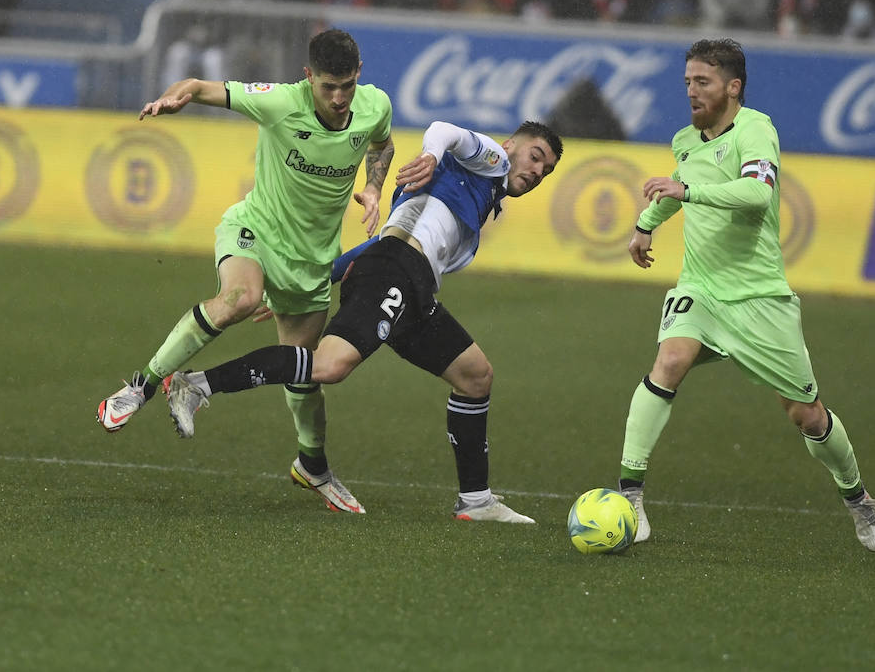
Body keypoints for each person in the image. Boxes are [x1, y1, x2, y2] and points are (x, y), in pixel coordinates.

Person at [161, 119, 562, 521]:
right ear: (511, 144)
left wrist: (320, 277)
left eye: (545, 171)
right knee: (329, 366)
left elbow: (376, 244)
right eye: (535, 156)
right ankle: (197, 386)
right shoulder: (491, 160)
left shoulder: (479, 189)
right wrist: (429, 155)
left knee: (476, 377)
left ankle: (476, 500)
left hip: (409, 283)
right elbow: (445, 130)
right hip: (398, 274)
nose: (536, 172)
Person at [97, 29, 397, 505]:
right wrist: (174, 100)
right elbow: (198, 85)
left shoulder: (375, 105)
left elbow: (382, 145)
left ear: (359, 75)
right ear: (307, 78)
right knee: (241, 298)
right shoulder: (280, 102)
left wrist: (375, 187)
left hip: (310, 263)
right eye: (327, 87)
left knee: (305, 376)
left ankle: (313, 467)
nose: (339, 98)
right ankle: (141, 387)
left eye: (346, 86)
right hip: (254, 232)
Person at [616, 38, 875, 552]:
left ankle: (857, 498)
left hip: (759, 296)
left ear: (732, 87)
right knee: (669, 361)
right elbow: (680, 182)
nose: (692, 91)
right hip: (701, 286)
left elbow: (755, 194)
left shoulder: (756, 129)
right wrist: (645, 224)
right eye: (688, 82)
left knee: (805, 414)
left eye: (704, 82)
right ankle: (630, 494)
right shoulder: (686, 140)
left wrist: (686, 194)